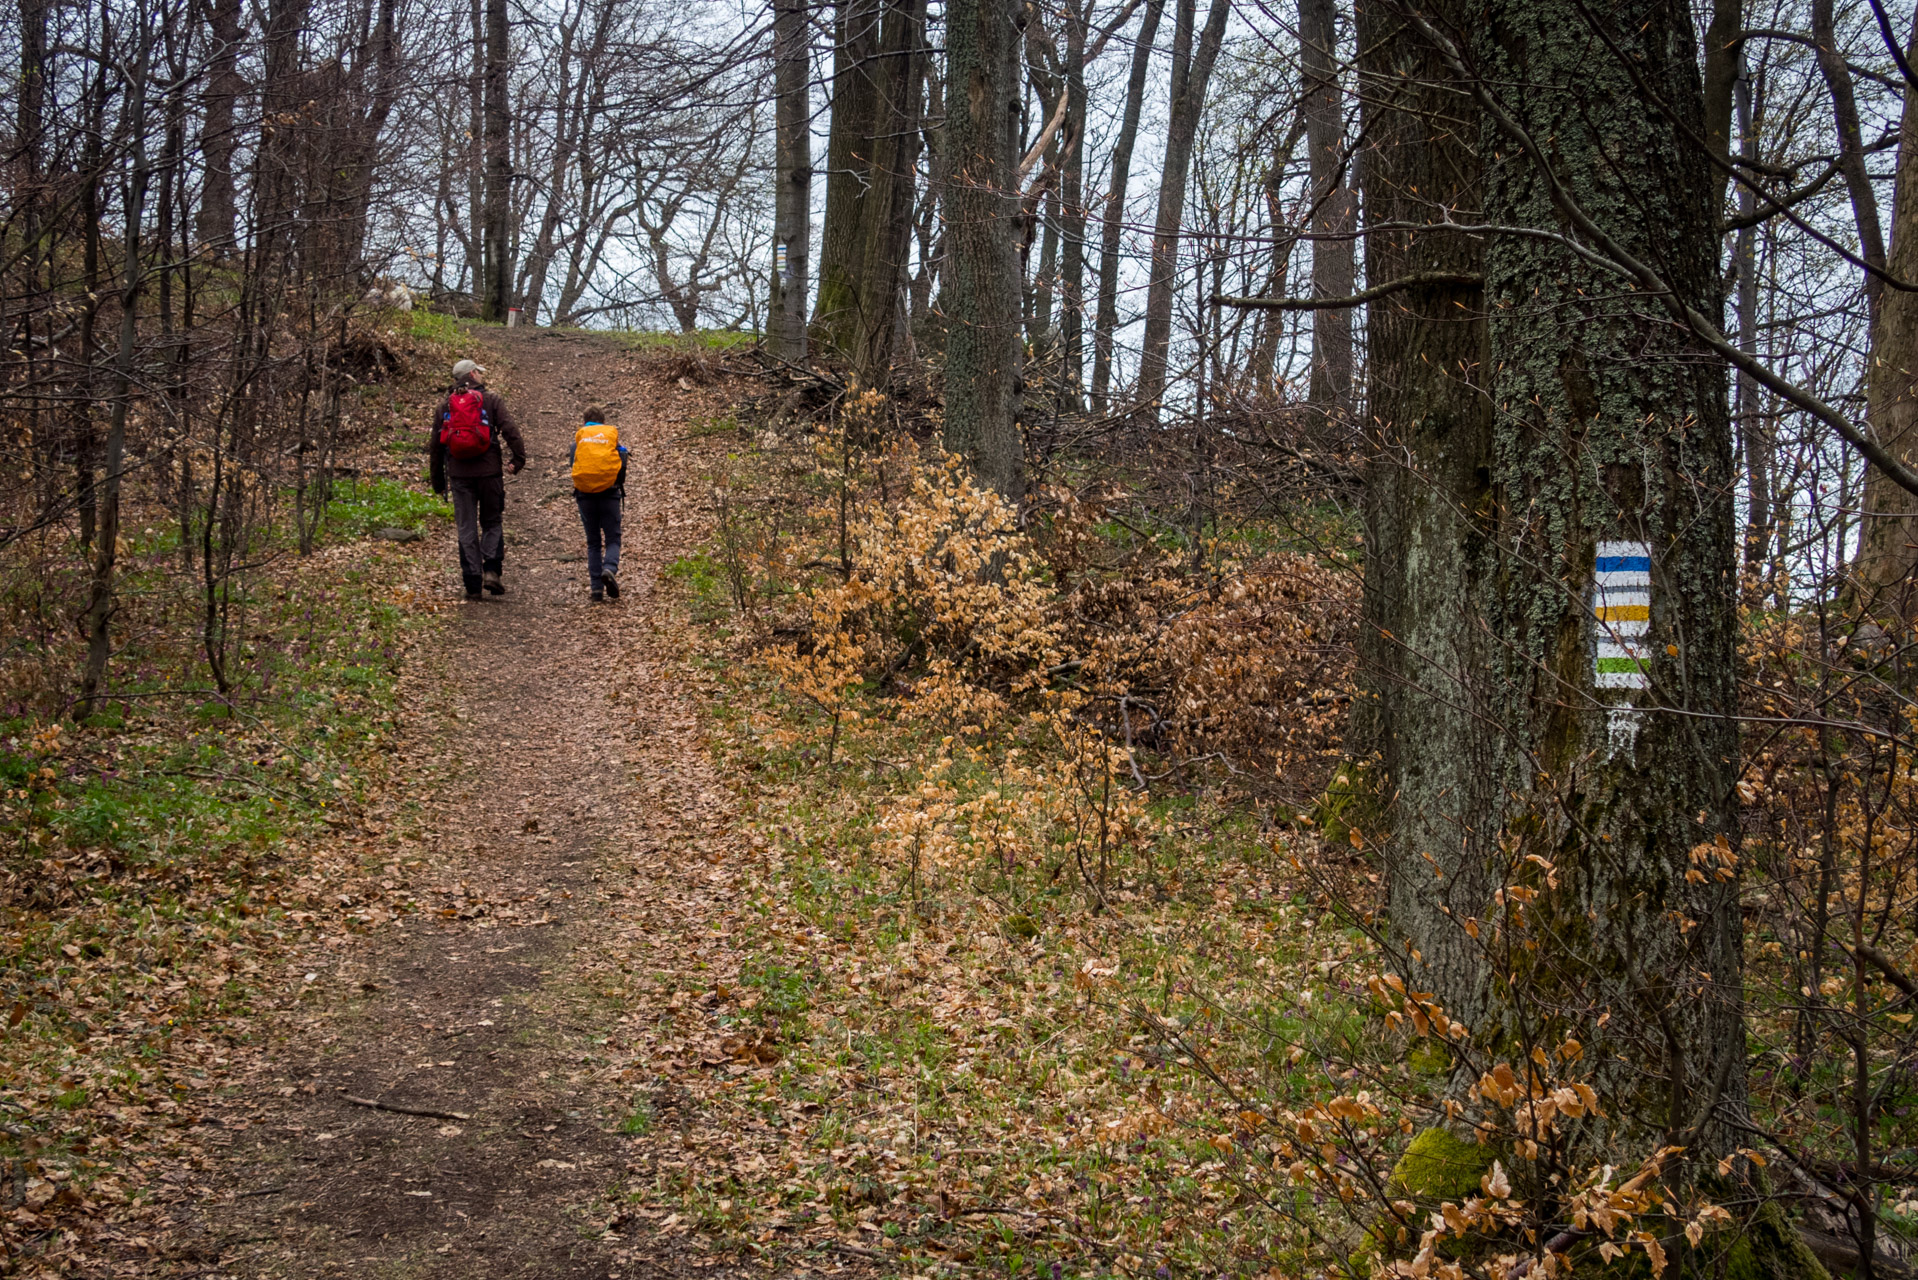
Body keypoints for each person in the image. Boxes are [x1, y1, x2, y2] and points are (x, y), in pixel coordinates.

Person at [430, 358, 526, 600]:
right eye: (479, 373)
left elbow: (435, 448)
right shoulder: (491, 400)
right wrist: (518, 459)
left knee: (466, 526)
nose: (482, 376)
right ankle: (491, 570)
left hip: (459, 475)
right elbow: (510, 430)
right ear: (473, 374)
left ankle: (472, 581)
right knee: (492, 521)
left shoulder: (445, 406)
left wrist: (438, 482)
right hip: (489, 473)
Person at [569, 407, 627, 602]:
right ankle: (609, 569)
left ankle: (596, 589)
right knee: (612, 539)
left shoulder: (579, 440)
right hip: (609, 495)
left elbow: (573, 465)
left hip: (585, 497)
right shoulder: (610, 438)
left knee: (593, 542)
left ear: (585, 421)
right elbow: (622, 462)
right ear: (603, 421)